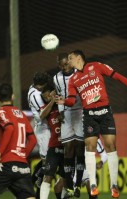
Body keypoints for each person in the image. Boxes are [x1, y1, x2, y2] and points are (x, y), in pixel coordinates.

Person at [56, 50, 127, 198]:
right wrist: (63, 101)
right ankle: (93, 184)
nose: (69, 61)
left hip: (105, 112)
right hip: (89, 115)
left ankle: (114, 185)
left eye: (71, 58)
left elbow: (117, 76)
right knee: (90, 146)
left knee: (111, 146)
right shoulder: (73, 79)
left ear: (79, 58)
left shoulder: (96, 66)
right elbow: (72, 100)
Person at [0, 83, 37, 199]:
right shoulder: (21, 114)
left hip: (7, 165)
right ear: (13, 96)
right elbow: (33, 140)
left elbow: (9, 128)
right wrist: (22, 156)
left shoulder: (0, 112)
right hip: (23, 166)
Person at [53, 53, 85, 198]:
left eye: (67, 64)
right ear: (59, 65)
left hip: (79, 112)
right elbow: (59, 95)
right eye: (62, 65)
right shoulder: (56, 78)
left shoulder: (80, 73)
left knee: (80, 147)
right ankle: (70, 186)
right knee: (68, 149)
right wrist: (60, 111)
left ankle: (78, 183)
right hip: (66, 112)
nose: (65, 67)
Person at [39, 83, 65, 199]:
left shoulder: (64, 103)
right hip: (54, 147)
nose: (47, 98)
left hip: (68, 148)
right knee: (47, 176)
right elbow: (41, 115)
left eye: (48, 96)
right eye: (45, 98)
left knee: (62, 184)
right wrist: (51, 101)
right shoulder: (47, 108)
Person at [27, 72, 51, 160]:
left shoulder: (34, 87)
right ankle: (39, 173)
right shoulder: (35, 95)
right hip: (43, 128)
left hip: (47, 126)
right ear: (39, 86)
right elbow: (43, 114)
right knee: (47, 158)